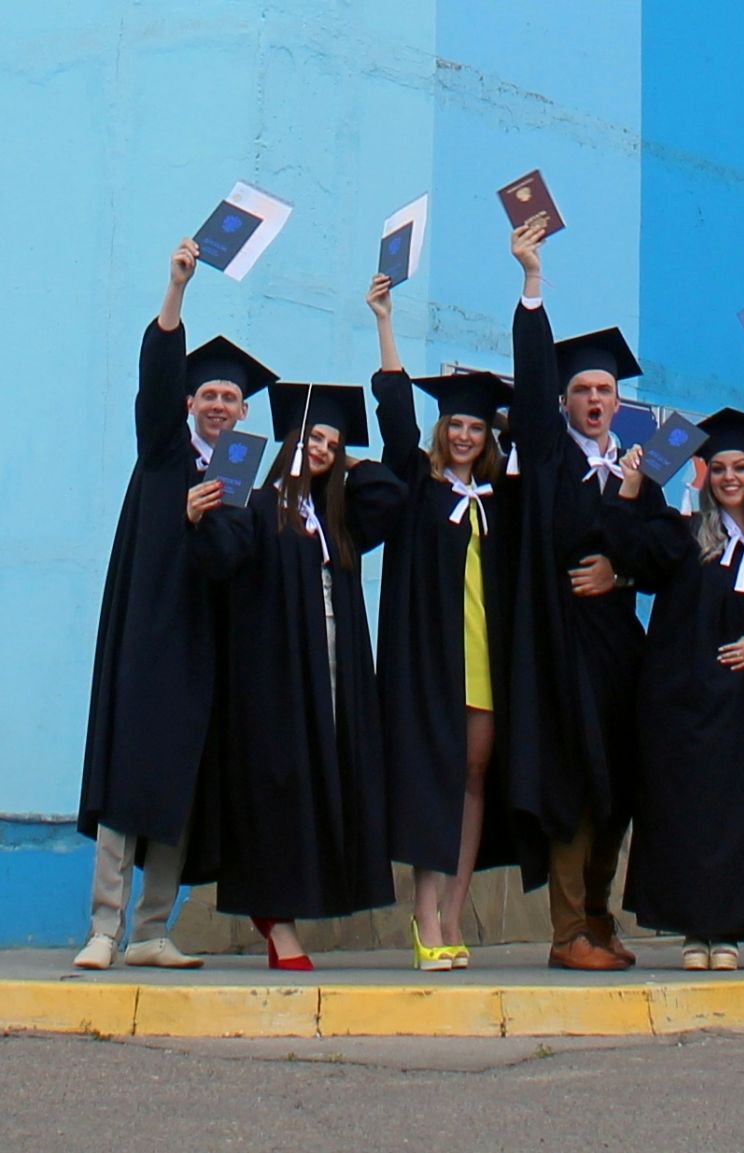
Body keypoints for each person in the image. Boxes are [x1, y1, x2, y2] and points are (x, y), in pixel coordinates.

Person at [74, 239, 272, 970]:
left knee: (180, 783)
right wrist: (177, 290)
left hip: (201, 648)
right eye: (208, 395)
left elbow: (232, 558)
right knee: (129, 778)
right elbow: (156, 376)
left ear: (243, 411)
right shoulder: (163, 450)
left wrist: (202, 521)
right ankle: (105, 928)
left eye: (230, 399)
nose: (219, 405)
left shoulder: (238, 477)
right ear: (191, 403)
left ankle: (153, 929)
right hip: (146, 636)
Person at [188, 378, 406, 969]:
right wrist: (206, 513)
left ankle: (294, 909)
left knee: (321, 791)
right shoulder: (257, 505)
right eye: (313, 438)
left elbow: (391, 495)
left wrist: (348, 462)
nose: (321, 449)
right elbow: (220, 555)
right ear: (289, 441)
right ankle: (276, 921)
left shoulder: (336, 519)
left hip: (334, 678)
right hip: (274, 681)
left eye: (331, 444)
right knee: (277, 796)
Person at [602, 360, 744, 970]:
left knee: (739, 821)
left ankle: (729, 933)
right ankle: (695, 932)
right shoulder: (683, 537)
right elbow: (627, 547)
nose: (729, 477)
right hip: (682, 705)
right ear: (705, 476)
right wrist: (631, 486)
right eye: (718, 468)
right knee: (685, 817)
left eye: (740, 467)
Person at [502, 219, 646, 972]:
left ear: (618, 403)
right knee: (575, 788)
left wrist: (623, 573)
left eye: (604, 390)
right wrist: (533, 284)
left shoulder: (636, 471)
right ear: (565, 401)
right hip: (561, 646)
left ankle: (600, 916)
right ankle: (567, 934)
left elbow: (665, 555)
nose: (594, 398)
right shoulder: (550, 457)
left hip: (620, 646)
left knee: (618, 787)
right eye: (583, 389)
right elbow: (530, 388)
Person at [367, 274, 521, 972]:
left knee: (475, 775)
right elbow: (396, 416)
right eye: (455, 425)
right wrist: (385, 322)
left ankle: (456, 911)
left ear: (488, 436)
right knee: (435, 779)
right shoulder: (417, 485)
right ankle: (425, 914)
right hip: (431, 661)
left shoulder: (497, 499)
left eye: (476, 427)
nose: (463, 435)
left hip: (484, 656)